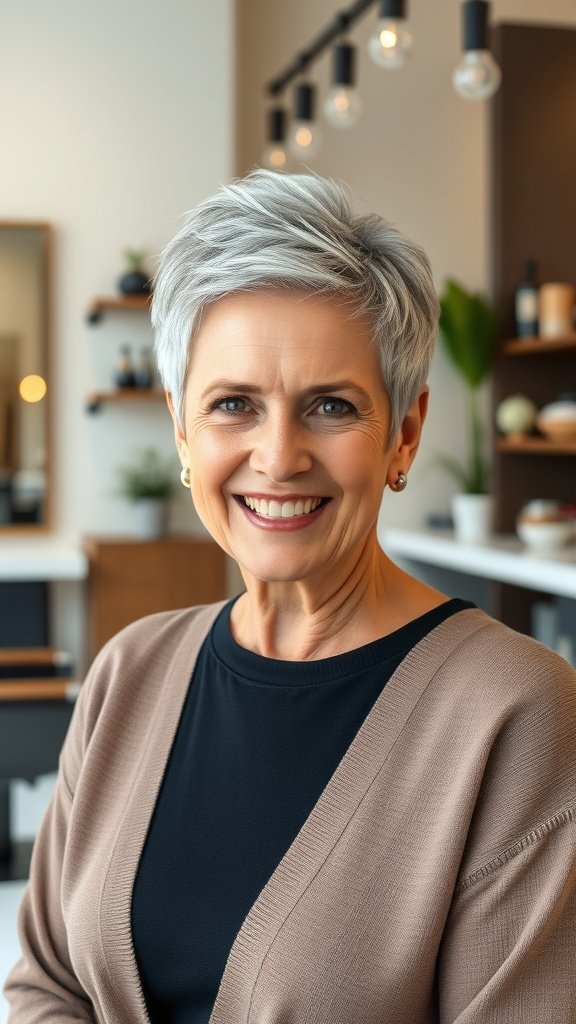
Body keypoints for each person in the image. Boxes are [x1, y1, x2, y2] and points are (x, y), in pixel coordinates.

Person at [5, 170, 576, 1024]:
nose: (277, 457)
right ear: (183, 432)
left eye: (331, 406)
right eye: (234, 404)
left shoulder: (518, 716)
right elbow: (48, 980)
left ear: (404, 432)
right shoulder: (131, 672)